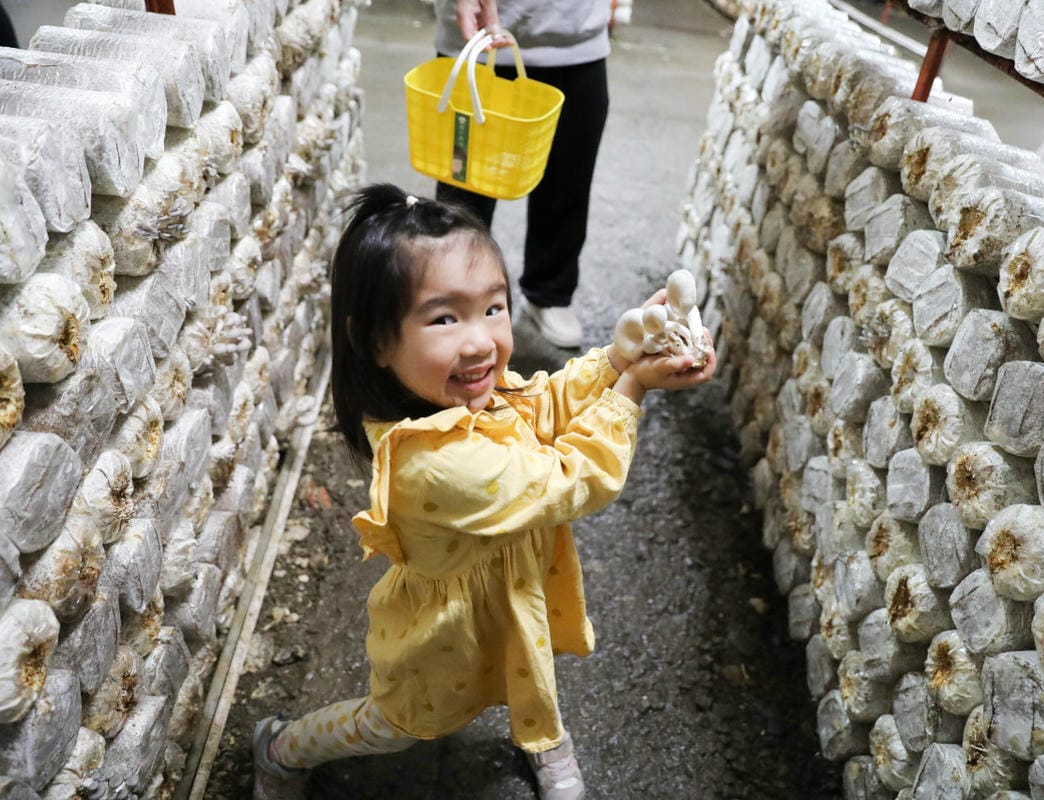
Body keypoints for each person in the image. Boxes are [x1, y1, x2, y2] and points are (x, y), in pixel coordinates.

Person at [251, 184, 716, 800]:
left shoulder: (460, 395)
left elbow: (542, 404)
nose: (479, 341)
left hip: (509, 586)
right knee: (398, 723)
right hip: (445, 627)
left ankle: (545, 741)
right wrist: (631, 391)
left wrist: (615, 360)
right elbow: (567, 478)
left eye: (493, 308)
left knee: (532, 663)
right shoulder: (435, 463)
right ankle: (283, 746)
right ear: (375, 341)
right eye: (444, 317)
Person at [431, 0, 613, 350]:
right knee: (465, 194)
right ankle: (456, 296)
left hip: (576, 38)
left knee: (568, 177)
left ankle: (550, 291)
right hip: (476, 38)